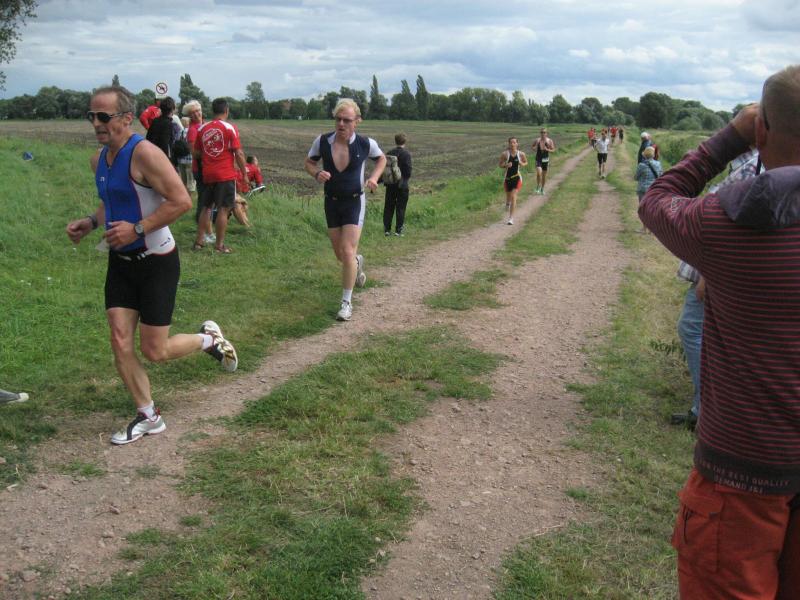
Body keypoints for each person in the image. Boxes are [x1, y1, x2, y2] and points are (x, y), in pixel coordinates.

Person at [639, 65, 800, 598]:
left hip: (742, 472)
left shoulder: (729, 224)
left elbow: (657, 198)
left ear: (762, 131)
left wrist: (729, 138)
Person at [65, 86, 238, 445]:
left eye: (103, 116)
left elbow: (181, 201)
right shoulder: (99, 160)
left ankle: (209, 339)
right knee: (119, 340)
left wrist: (138, 229)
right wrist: (91, 222)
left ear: (127, 118)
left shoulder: (144, 154)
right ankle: (148, 416)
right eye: (91, 116)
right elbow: (112, 201)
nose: (95, 123)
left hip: (156, 261)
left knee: (155, 351)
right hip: (120, 262)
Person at [671, 149, 762, 431]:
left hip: (717, 270)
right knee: (711, 335)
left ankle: (707, 409)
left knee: (692, 328)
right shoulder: (751, 164)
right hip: (722, 269)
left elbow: (737, 226)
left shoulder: (753, 167)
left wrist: (709, 275)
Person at [304, 98, 386, 322]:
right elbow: (309, 162)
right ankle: (357, 263)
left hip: (354, 202)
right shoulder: (322, 141)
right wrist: (316, 173)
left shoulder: (365, 143)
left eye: (347, 120)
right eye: (338, 119)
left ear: (357, 121)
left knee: (347, 251)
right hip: (331, 202)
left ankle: (346, 303)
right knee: (341, 255)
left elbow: (381, 159)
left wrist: (374, 178)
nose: (341, 124)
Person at [192, 98, 248, 253]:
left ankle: (199, 242)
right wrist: (244, 173)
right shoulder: (230, 128)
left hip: (208, 174)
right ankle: (219, 245)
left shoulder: (202, 129)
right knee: (224, 209)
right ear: (226, 110)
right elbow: (239, 153)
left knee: (206, 208)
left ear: (212, 111)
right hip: (225, 175)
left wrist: (209, 153)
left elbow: (195, 153)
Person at [382, 132, 413, 236]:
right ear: (405, 141)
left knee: (388, 207)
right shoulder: (406, 154)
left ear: (395, 141)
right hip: (402, 185)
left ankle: (387, 230)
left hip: (390, 184)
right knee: (401, 207)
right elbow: (408, 172)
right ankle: (398, 230)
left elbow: (384, 169)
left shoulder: (389, 153)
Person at [499, 137, 527, 225]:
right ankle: (507, 203)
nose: (512, 144)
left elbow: (526, 162)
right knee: (508, 196)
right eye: (511, 142)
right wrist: (506, 165)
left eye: (514, 142)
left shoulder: (521, 154)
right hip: (507, 178)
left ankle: (511, 218)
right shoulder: (505, 154)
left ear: (517, 144)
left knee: (513, 196)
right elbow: (500, 164)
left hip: (517, 177)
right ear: (508, 144)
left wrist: (522, 164)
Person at [145, 96, 179, 163]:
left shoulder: (155, 121)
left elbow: (148, 137)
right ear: (172, 109)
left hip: (151, 154)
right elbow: (165, 144)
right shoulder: (169, 124)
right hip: (161, 158)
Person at [532, 128, 556, 194]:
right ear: (540, 133)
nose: (543, 134)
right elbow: (532, 147)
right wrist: (534, 148)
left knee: (544, 176)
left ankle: (542, 189)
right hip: (538, 158)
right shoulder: (537, 140)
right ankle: (538, 187)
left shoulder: (549, 141)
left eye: (544, 132)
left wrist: (547, 149)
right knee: (539, 173)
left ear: (546, 133)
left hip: (545, 159)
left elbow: (553, 150)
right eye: (541, 132)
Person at [177, 116, 195, 192]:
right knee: (190, 177)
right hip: (189, 158)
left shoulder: (180, 131)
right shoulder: (191, 131)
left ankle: (184, 190)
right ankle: (191, 190)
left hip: (181, 157)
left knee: (183, 177)